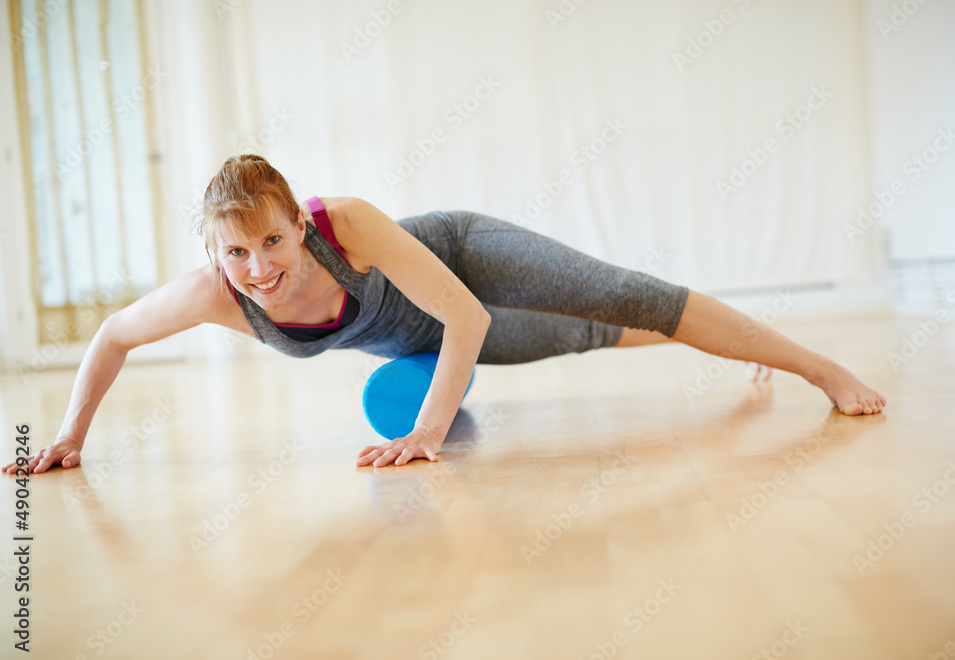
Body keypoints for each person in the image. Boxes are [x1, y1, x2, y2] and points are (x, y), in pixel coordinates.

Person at [3, 154, 885, 475]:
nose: (258, 269)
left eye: (271, 242)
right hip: (424, 338)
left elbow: (464, 313)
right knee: (592, 333)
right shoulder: (215, 291)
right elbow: (114, 332)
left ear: (298, 226)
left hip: (461, 265)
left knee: (622, 292)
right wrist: (74, 433)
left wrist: (425, 434)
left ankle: (819, 367)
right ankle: (741, 351)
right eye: (234, 252)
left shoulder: (345, 223)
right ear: (213, 253)